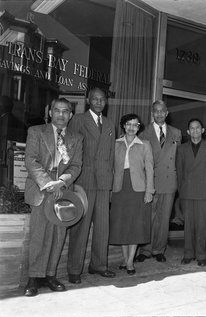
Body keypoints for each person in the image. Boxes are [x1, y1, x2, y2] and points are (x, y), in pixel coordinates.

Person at [23, 98, 83, 296]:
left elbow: (76, 166)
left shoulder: (76, 138)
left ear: (71, 115)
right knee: (38, 236)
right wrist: (49, 184)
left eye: (65, 111)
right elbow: (31, 159)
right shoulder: (36, 132)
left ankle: (50, 275)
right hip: (42, 191)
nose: (61, 115)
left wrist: (62, 182)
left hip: (63, 193)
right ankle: (34, 277)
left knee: (58, 236)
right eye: (57, 110)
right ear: (50, 112)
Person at [67, 87, 116, 284]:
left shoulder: (111, 124)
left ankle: (99, 265)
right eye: (95, 99)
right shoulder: (78, 120)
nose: (98, 102)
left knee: (102, 227)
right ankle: (74, 269)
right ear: (88, 100)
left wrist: (111, 184)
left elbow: (111, 156)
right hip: (84, 180)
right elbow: (70, 150)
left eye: (102, 99)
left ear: (106, 102)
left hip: (104, 182)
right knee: (81, 226)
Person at [135, 100, 181, 263]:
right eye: (156, 111)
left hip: (169, 182)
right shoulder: (143, 132)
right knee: (149, 218)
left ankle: (159, 249)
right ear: (152, 113)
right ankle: (146, 249)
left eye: (162, 111)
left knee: (164, 219)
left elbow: (178, 159)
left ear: (167, 113)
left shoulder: (176, 133)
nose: (159, 114)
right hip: (150, 182)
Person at [109, 114, 155, 275]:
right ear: (123, 126)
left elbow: (149, 169)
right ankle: (124, 258)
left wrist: (149, 191)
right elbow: (112, 169)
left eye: (135, 125)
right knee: (121, 224)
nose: (131, 127)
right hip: (119, 188)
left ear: (139, 127)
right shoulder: (115, 144)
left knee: (135, 225)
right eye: (128, 124)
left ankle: (130, 262)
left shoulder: (145, 145)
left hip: (138, 189)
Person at [176, 118, 206, 267]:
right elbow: (180, 173)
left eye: (197, 128)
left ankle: (201, 255)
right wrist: (181, 192)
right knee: (188, 225)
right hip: (187, 193)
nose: (195, 131)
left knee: (202, 225)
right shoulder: (182, 149)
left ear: (202, 130)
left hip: (204, 192)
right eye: (192, 128)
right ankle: (188, 254)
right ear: (188, 132)